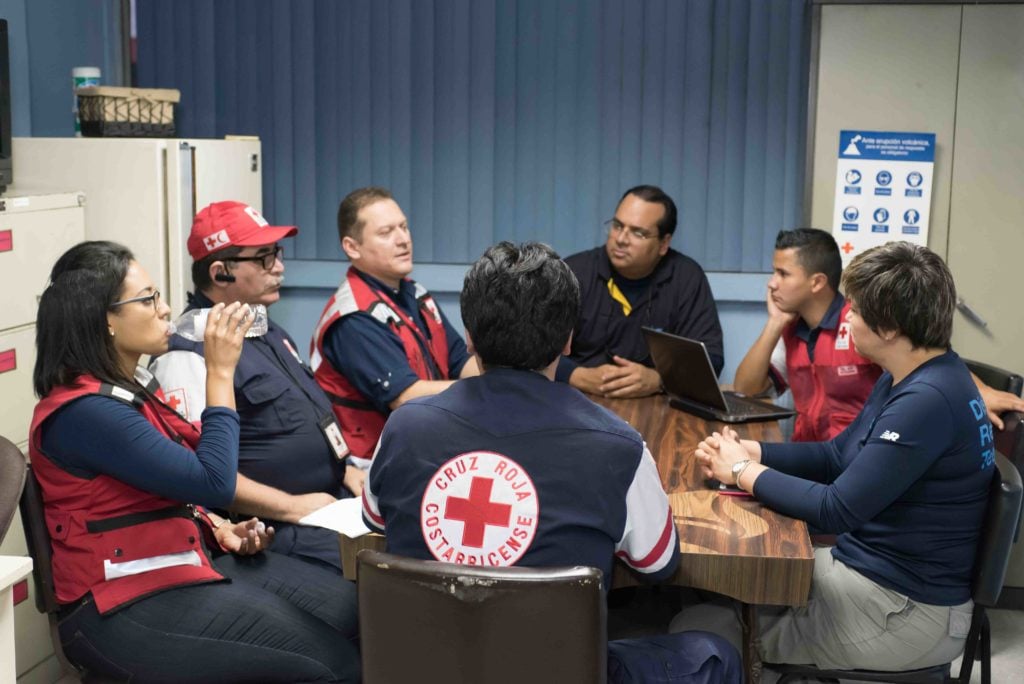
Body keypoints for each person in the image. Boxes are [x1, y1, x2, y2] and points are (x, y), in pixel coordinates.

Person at [30, 241, 359, 682]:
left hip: (183, 566)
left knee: (357, 614)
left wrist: (217, 527)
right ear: (105, 319)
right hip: (119, 604)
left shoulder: (131, 392)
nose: (165, 309)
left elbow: (171, 480)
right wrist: (220, 373)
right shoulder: (87, 412)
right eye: (148, 299)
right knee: (331, 666)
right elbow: (213, 480)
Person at [690, 241, 993, 672]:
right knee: (721, 596)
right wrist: (756, 451)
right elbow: (836, 455)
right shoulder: (913, 375)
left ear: (888, 328)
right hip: (874, 579)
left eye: (854, 310)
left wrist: (740, 470)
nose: (846, 319)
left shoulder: (926, 400)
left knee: (706, 630)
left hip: (901, 610)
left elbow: (836, 509)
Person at [362, 241, 679, 586]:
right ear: (568, 341)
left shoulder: (402, 427)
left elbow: (376, 520)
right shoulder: (622, 449)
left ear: (468, 338)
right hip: (555, 641)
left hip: (417, 638)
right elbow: (657, 563)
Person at [150, 201, 360, 573]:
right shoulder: (188, 356)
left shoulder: (263, 327)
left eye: (276, 253)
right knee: (380, 583)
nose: (279, 266)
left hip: (332, 503)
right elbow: (200, 474)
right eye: (263, 258)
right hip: (276, 528)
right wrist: (295, 507)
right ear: (221, 273)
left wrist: (345, 472)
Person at [734, 228, 1024, 439]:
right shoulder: (791, 329)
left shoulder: (867, 325)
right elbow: (746, 390)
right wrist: (774, 323)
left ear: (817, 282)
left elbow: (929, 360)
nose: (772, 284)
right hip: (813, 459)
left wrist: (979, 392)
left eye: (783, 274)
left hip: (862, 461)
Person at [310, 187, 479, 469]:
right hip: (375, 465)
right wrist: (487, 388)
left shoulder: (415, 294)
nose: (403, 240)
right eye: (386, 232)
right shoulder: (353, 316)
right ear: (352, 247)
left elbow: (461, 362)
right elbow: (405, 397)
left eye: (403, 227)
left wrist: (504, 376)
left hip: (423, 445)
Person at [556, 185, 723, 398]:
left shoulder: (686, 277)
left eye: (638, 233)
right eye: (617, 226)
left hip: (659, 409)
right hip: (578, 403)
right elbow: (532, 350)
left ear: (664, 243)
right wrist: (576, 375)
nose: (621, 239)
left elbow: (712, 360)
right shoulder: (573, 272)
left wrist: (659, 379)